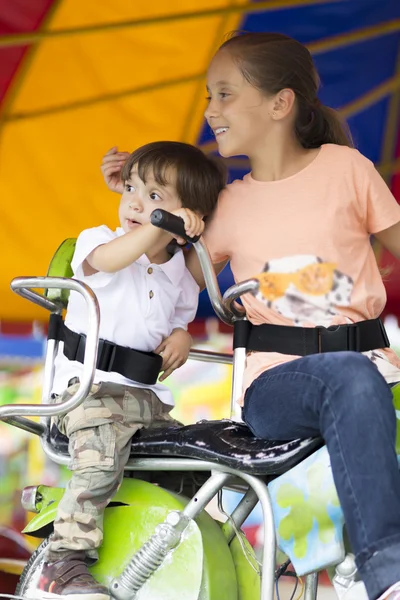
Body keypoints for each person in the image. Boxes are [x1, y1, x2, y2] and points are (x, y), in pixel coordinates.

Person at [102, 33, 400, 600]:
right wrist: (137, 204)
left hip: (372, 370)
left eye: (224, 94)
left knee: (358, 379)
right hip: (276, 386)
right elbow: (157, 277)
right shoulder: (228, 206)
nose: (210, 110)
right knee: (350, 378)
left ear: (279, 104)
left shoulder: (348, 171)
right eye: (210, 96)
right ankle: (386, 570)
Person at [32, 141, 226, 600]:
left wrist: (183, 336)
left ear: (187, 216)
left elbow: (178, 318)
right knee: (99, 462)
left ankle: (205, 550)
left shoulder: (179, 271)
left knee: (198, 467)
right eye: (132, 189)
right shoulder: (99, 240)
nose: (136, 202)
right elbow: (112, 260)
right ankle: (65, 560)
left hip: (144, 403)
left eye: (155, 196)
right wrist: (160, 222)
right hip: (87, 394)